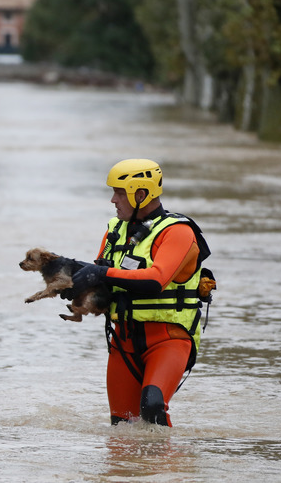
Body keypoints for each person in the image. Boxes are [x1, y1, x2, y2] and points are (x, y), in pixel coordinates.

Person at [67, 158, 215, 427]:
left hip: (168, 339)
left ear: (142, 194)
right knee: (122, 427)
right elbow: (102, 275)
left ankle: (170, 469)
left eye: (119, 193)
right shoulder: (115, 228)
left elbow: (156, 280)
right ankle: (129, 469)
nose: (113, 200)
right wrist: (74, 284)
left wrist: (101, 274)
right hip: (123, 341)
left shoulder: (178, 231)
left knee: (152, 408)